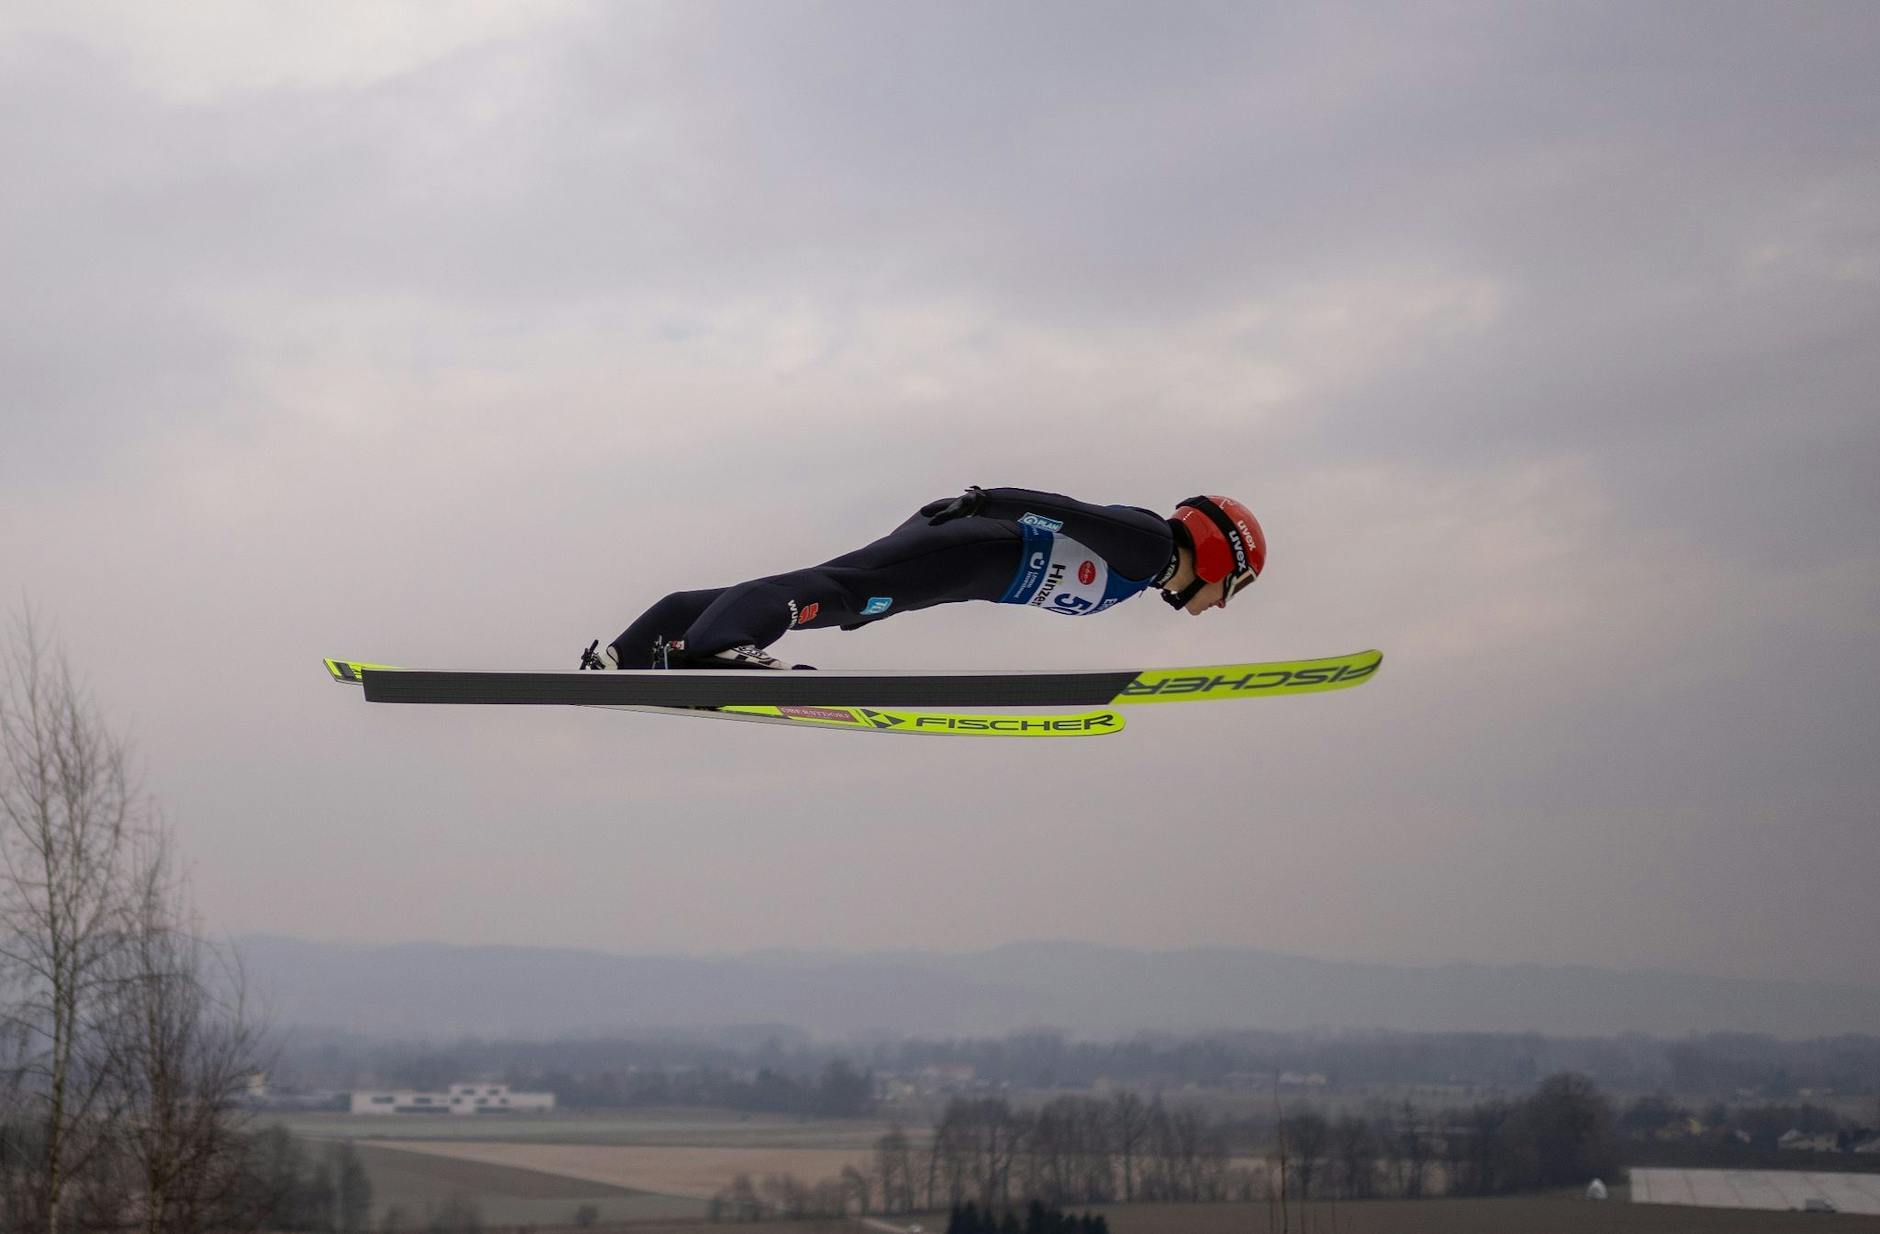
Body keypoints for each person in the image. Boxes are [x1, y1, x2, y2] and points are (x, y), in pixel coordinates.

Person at [581, 487, 1266, 670]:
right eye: (1230, 589)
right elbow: (1067, 512)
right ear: (1215, 558)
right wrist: (984, 501)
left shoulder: (1145, 566)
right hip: (968, 547)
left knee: (840, 590)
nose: (1217, 606)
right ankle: (719, 648)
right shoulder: (1149, 545)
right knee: (844, 595)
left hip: (964, 562)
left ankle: (649, 645)